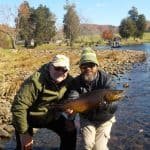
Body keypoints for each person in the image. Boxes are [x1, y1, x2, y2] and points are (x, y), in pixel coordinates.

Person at [11, 54, 77, 150]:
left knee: (70, 131)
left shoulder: (70, 81)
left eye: (64, 69)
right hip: (29, 117)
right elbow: (19, 107)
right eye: (57, 68)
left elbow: (77, 98)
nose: (60, 72)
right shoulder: (35, 81)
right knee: (24, 145)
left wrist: (70, 117)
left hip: (51, 116)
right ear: (50, 66)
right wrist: (24, 133)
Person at [67, 47, 117, 150]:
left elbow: (114, 107)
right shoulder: (76, 82)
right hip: (87, 118)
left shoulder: (106, 80)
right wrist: (70, 111)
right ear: (80, 68)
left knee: (100, 148)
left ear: (97, 66)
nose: (88, 69)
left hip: (105, 119)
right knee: (87, 145)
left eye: (91, 65)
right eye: (84, 66)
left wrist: (107, 106)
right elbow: (73, 96)